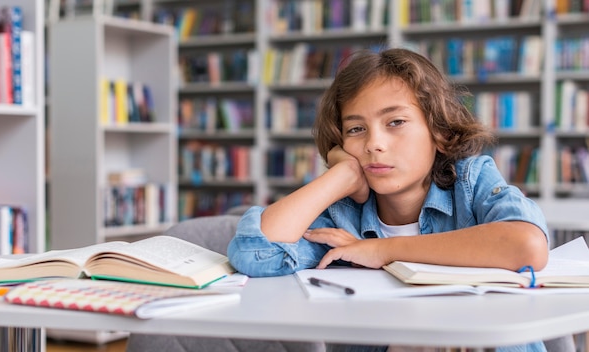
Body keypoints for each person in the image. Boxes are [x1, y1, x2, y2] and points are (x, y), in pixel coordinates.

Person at [227, 48, 550, 352]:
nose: (374, 144)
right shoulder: (343, 215)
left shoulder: (471, 180)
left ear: (438, 131)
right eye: (356, 129)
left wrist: (381, 250)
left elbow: (526, 246)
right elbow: (256, 255)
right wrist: (341, 176)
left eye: (395, 122)